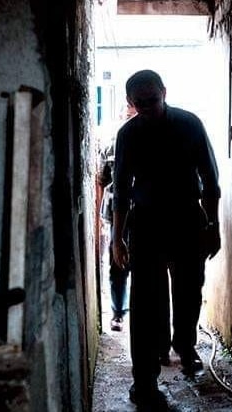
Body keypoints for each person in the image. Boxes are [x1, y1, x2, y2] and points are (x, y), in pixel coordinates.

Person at [112, 69, 221, 408]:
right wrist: (117, 237)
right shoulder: (128, 135)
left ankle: (184, 346)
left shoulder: (189, 125)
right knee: (146, 302)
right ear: (131, 102)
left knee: (189, 290)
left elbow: (210, 179)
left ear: (165, 93)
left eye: (153, 100)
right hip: (145, 225)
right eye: (140, 103)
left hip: (187, 220)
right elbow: (121, 191)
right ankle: (145, 381)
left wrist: (214, 226)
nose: (147, 107)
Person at [98, 102, 136, 332]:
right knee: (117, 263)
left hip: (145, 212)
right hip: (118, 214)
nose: (132, 119)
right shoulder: (113, 144)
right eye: (128, 115)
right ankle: (118, 313)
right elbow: (103, 180)